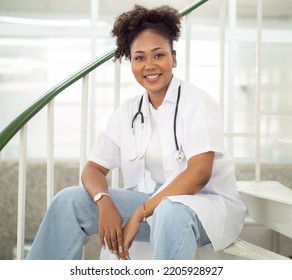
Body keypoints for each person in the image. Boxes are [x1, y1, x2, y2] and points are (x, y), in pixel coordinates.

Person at [26, 4, 246, 260]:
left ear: (174, 58)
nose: (150, 65)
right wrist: (103, 200)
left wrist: (140, 212)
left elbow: (198, 174)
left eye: (159, 55)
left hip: (206, 207)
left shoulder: (198, 103)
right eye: (140, 57)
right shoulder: (128, 111)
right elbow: (92, 169)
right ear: (131, 63)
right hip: (152, 204)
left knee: (170, 210)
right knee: (69, 201)